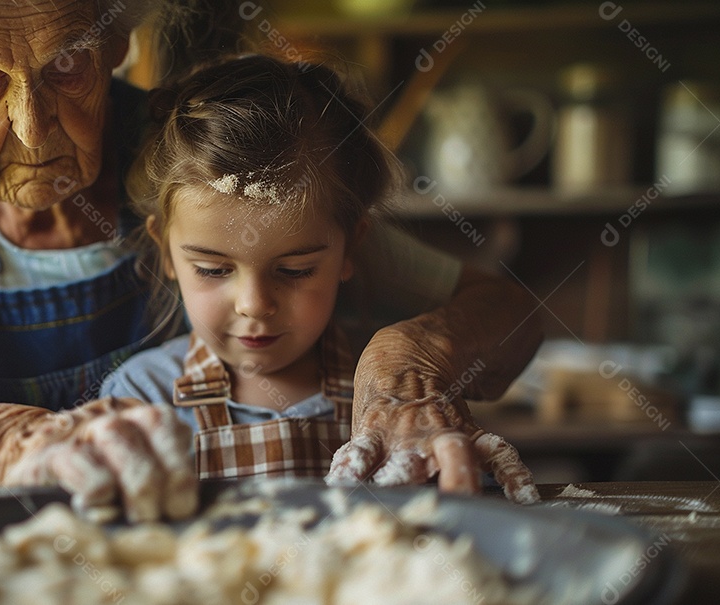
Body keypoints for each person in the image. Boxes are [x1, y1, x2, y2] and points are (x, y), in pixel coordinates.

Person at [0, 0, 543, 520]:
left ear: (116, 38)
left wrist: (405, 359)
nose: (31, 125)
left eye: (66, 62)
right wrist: (26, 443)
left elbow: (508, 311)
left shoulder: (198, 165)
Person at [99, 55, 538, 503]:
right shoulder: (141, 399)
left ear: (350, 247)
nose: (254, 304)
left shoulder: (386, 402)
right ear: (165, 251)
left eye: (295, 270)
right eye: (213, 269)